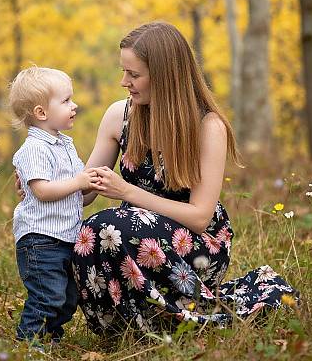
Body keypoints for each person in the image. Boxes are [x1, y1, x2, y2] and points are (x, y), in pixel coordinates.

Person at [71, 22, 297, 333]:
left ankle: (168, 319)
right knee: (89, 232)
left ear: (165, 77)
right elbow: (85, 191)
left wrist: (126, 192)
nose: (124, 82)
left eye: (134, 75)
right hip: (130, 236)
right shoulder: (118, 116)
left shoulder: (208, 126)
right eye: (124, 72)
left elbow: (200, 217)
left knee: (105, 226)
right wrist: (43, 186)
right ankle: (127, 329)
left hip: (195, 246)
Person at [8, 66, 101, 344]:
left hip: (64, 237)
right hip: (40, 240)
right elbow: (43, 191)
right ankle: (28, 343)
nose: (75, 106)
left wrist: (92, 185)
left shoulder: (64, 145)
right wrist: (79, 181)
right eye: (66, 101)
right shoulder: (34, 149)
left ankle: (50, 337)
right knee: (47, 295)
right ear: (41, 113)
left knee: (68, 298)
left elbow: (76, 195)